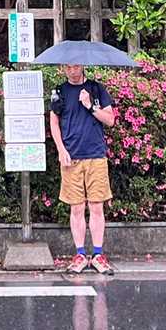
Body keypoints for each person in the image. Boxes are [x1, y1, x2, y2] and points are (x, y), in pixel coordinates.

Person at [49, 63, 117, 275]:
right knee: (76, 208)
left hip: (96, 155)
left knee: (97, 206)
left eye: (76, 66)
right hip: (72, 158)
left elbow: (110, 120)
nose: (72, 70)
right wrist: (61, 149)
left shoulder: (97, 89)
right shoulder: (59, 91)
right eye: (68, 67)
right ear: (63, 68)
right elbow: (54, 122)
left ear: (83, 66)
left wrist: (90, 106)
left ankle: (97, 255)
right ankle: (79, 254)